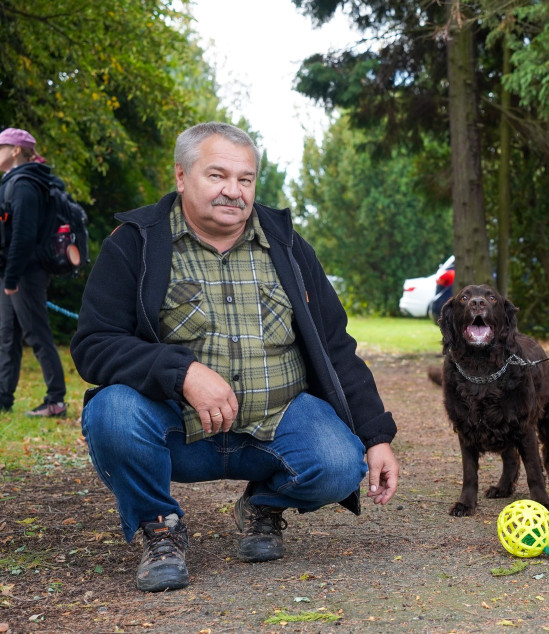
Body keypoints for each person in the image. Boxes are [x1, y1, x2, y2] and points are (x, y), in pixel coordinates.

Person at [70, 122, 400, 592]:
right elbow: (94, 344)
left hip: (276, 423)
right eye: (217, 176)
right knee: (111, 414)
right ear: (182, 177)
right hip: (177, 431)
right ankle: (160, 526)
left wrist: (376, 435)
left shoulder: (286, 245)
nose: (234, 191)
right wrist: (181, 372)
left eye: (245, 179)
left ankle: (263, 506)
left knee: (339, 463)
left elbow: (335, 345)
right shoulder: (135, 243)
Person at [0, 128, 68, 417]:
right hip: (12, 272)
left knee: (36, 334)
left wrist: (13, 278)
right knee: (7, 336)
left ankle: (56, 400)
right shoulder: (14, 181)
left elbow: (24, 236)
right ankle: (3, 398)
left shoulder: (25, 184)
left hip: (25, 273)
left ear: (16, 150)